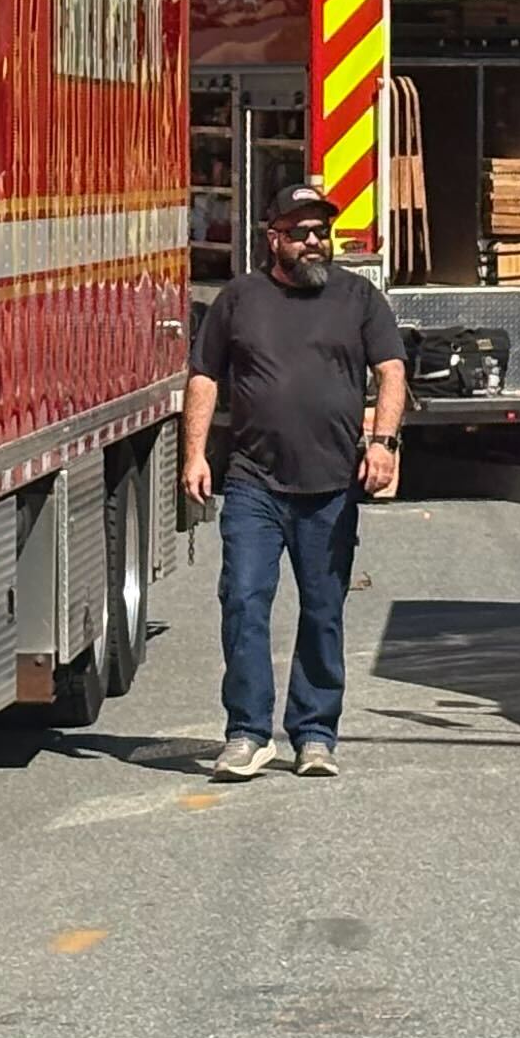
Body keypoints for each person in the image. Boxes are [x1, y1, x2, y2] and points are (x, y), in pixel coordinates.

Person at [182, 180, 406, 780]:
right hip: (254, 482)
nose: (314, 242)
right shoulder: (239, 299)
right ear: (273, 237)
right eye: (301, 232)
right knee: (244, 600)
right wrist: (195, 454)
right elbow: (204, 377)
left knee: (323, 609)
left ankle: (314, 733)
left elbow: (391, 371)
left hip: (332, 484)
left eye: (321, 232)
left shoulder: (359, 299)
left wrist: (383, 443)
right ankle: (248, 733)